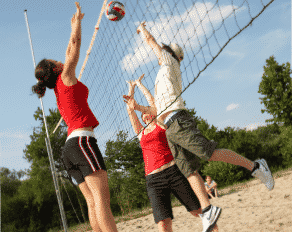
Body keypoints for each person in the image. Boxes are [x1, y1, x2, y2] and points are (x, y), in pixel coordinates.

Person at [134, 21, 275, 232]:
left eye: (165, 49)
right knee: (188, 169)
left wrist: (142, 29)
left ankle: (256, 166)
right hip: (170, 126)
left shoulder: (170, 63)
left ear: (171, 54)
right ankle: (208, 211)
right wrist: (135, 106)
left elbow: (151, 42)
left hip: (178, 120)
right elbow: (157, 110)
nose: (161, 50)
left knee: (208, 153)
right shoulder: (163, 73)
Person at [31, 3, 118, 232]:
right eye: (55, 60)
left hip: (69, 149)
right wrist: (78, 22)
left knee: (92, 201)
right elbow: (75, 46)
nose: (61, 58)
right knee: (101, 200)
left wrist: (73, 27)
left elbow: (70, 48)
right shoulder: (65, 77)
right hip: (82, 142)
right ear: (55, 68)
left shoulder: (58, 87)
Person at [123, 75, 218, 232]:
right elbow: (130, 109)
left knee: (196, 210)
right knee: (163, 223)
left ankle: (215, 229)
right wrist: (131, 89)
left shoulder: (161, 124)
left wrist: (140, 84)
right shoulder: (141, 132)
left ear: (152, 114)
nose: (145, 115)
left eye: (147, 113)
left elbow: (153, 103)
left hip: (173, 171)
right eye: (143, 116)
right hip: (153, 179)